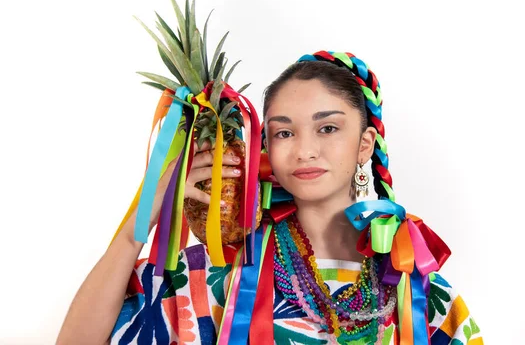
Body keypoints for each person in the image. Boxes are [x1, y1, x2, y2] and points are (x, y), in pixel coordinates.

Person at [57, 51, 483, 345]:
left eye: (328, 128)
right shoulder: (215, 275)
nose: (304, 150)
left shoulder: (413, 287)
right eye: (283, 132)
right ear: (265, 148)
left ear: (366, 143)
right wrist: (142, 221)